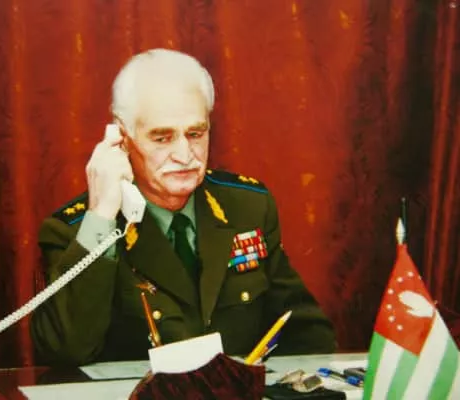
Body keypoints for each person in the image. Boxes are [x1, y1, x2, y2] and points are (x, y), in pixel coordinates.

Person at [30, 48, 336, 366]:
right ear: (122, 137)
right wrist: (102, 215)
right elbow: (64, 352)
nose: (185, 154)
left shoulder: (247, 207)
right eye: (162, 138)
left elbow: (308, 334)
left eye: (195, 134)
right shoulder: (75, 230)